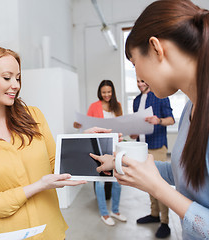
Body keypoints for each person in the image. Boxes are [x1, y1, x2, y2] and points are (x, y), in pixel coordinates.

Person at [92, 0, 209, 239]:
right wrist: (119, 163)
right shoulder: (191, 109)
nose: (139, 76)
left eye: (135, 63)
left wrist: (158, 189)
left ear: (156, 48)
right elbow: (181, 172)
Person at [0, 46, 86, 239]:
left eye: (18, 78)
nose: (15, 85)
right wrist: (36, 186)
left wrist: (83, 142)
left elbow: (57, 165)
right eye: (7, 78)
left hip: (51, 233)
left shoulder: (33, 116)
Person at [131, 77, 175, 238]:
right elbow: (137, 124)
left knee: (160, 184)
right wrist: (134, 132)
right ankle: (154, 214)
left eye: (143, 81)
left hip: (157, 146)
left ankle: (165, 222)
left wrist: (159, 120)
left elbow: (171, 119)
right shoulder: (136, 100)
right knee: (148, 183)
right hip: (141, 147)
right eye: (138, 81)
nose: (140, 84)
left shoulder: (160, 96)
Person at [86, 80, 126, 226]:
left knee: (118, 180)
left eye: (109, 91)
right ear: (100, 93)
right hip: (99, 147)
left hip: (115, 147)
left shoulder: (118, 106)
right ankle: (104, 213)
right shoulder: (94, 106)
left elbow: (121, 125)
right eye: (104, 92)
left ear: (112, 91)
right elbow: (88, 125)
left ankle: (115, 211)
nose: (107, 94)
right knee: (100, 182)